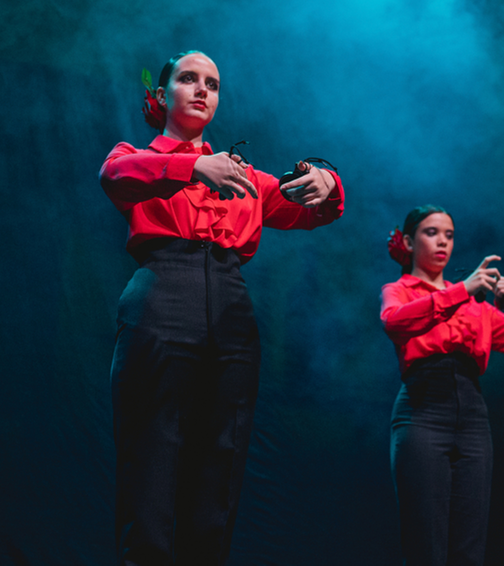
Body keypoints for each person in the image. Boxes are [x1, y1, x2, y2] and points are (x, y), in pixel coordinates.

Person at [99, 51, 344, 565]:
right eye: (188, 79)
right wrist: (191, 165)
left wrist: (326, 181)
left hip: (232, 310)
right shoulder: (135, 155)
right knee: (150, 460)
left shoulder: (243, 176)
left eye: (212, 83)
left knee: (219, 467)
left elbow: (315, 210)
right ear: (161, 95)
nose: (202, 89)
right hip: (162, 298)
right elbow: (115, 176)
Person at [380, 205, 504, 566]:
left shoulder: (476, 306)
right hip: (423, 409)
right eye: (431, 233)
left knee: (469, 544)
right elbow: (394, 323)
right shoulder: (400, 290)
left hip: (472, 416)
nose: (442, 241)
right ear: (408, 242)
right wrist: (460, 290)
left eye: (449, 235)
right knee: (425, 541)